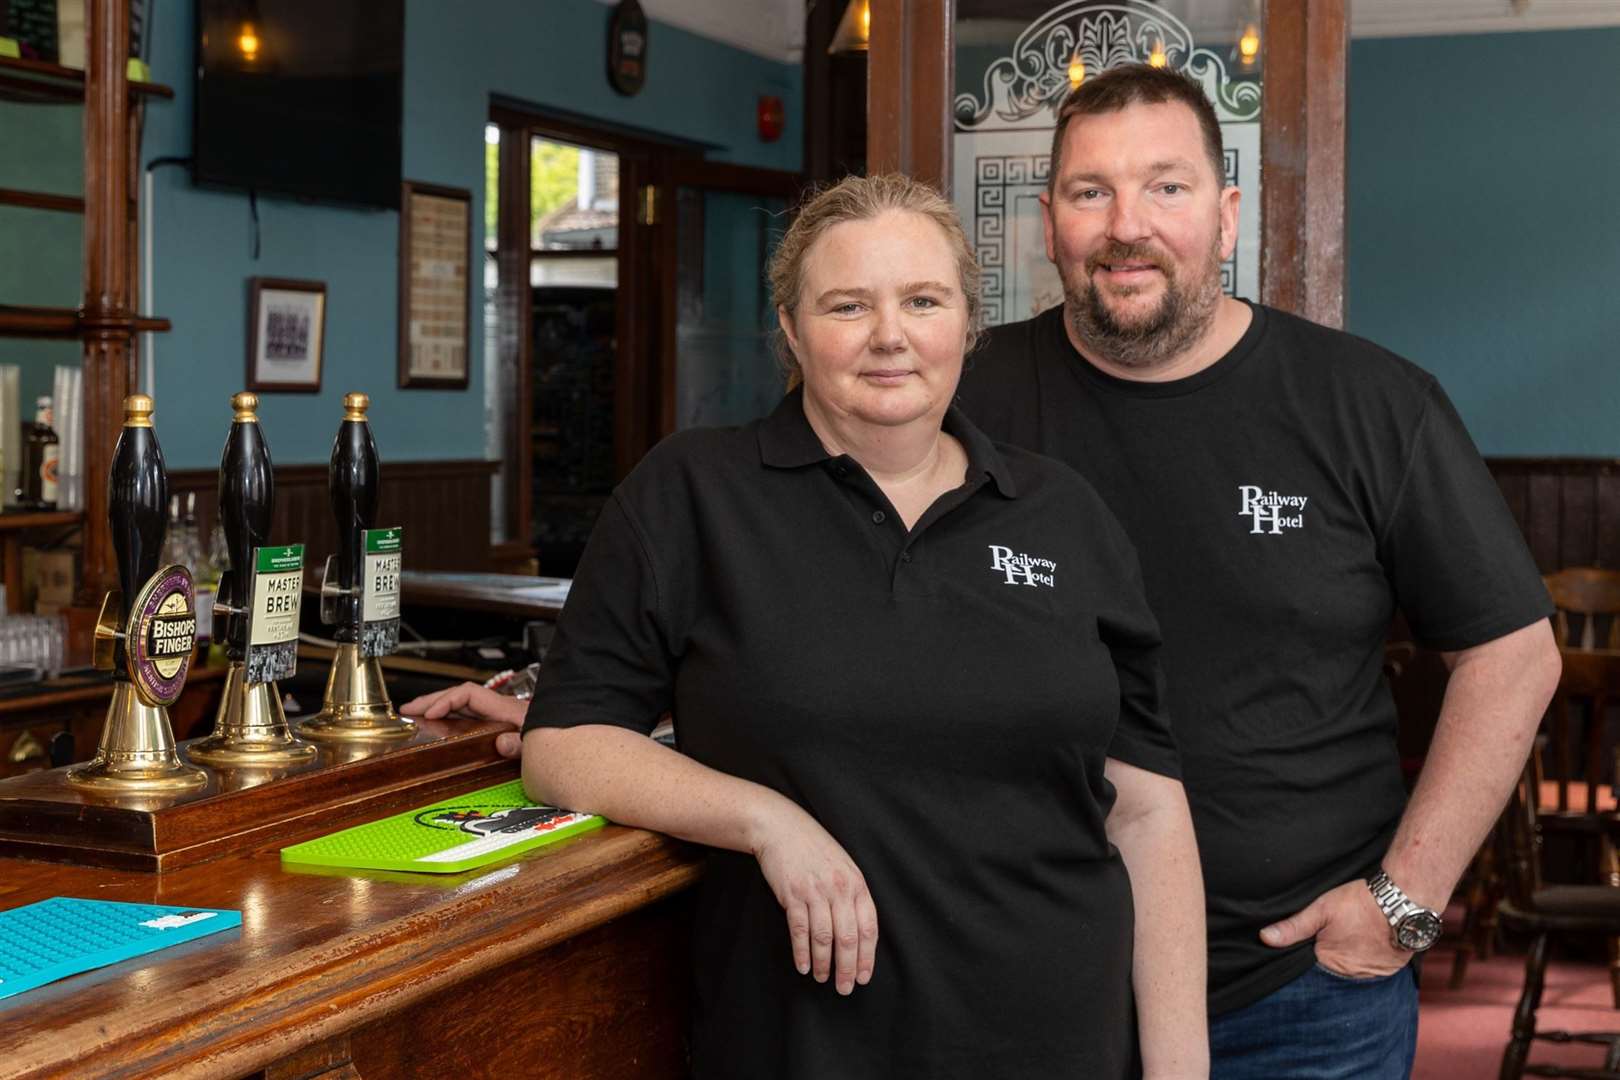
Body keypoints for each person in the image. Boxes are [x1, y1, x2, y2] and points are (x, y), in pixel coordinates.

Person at [402, 174, 1209, 1078]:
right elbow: (566, 744)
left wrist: (1182, 1069)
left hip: (1062, 1040)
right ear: (791, 329)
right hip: (802, 1047)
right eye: (847, 305)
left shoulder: (1063, 511)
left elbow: (1145, 808)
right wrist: (764, 818)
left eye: (923, 300)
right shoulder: (691, 495)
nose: (889, 336)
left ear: (968, 326)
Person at [955, 63, 1562, 1078]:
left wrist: (1403, 904)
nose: (1126, 224)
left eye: (1167, 186)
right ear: (1049, 219)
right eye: (1088, 191)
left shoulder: (1369, 404)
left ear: (1228, 213)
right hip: (1022, 976)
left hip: (1300, 995)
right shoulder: (968, 401)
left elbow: (1514, 654)